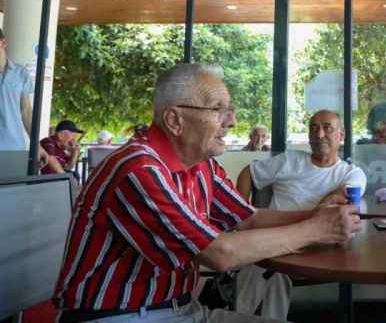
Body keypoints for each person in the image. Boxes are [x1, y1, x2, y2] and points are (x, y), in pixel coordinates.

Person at [52, 64, 360, 323]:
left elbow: (249, 219)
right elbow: (219, 253)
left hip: (183, 309)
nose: (232, 121)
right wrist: (315, 229)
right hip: (119, 315)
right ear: (175, 120)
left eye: (230, 110)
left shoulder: (201, 166)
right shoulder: (137, 169)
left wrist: (317, 216)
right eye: (218, 110)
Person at [235, 110, 366, 321]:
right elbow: (248, 173)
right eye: (313, 128)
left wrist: (321, 212)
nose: (319, 134)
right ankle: (241, 315)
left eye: (327, 128)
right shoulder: (290, 160)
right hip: (272, 239)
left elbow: (338, 198)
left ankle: (237, 314)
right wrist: (237, 215)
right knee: (269, 269)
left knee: (265, 267)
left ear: (341, 136)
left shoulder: (351, 173)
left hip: (318, 247)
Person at [0, 28, 50, 168]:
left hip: (15, 149)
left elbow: (26, 112)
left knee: (16, 189)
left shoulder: (21, 73)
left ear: (3, 43)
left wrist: (37, 146)